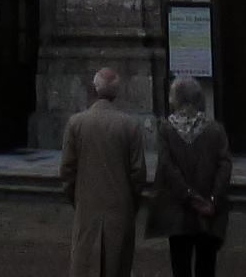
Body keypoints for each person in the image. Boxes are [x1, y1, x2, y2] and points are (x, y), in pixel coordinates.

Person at [60, 65, 147, 277]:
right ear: (116, 92)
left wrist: (78, 199)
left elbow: (67, 170)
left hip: (87, 207)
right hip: (120, 208)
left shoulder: (76, 123)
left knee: (85, 265)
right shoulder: (130, 125)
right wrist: (130, 202)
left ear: (94, 88)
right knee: (117, 266)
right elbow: (138, 174)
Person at [147, 75, 232, 277]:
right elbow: (225, 165)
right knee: (206, 266)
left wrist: (189, 196)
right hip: (208, 210)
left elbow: (167, 167)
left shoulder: (166, 130)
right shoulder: (215, 129)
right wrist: (212, 199)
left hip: (179, 208)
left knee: (180, 265)